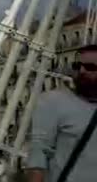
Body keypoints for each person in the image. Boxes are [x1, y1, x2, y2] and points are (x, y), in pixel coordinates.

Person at [26, 44, 97, 182]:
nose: (81, 71)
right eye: (77, 66)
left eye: (90, 67)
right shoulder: (52, 102)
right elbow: (38, 157)